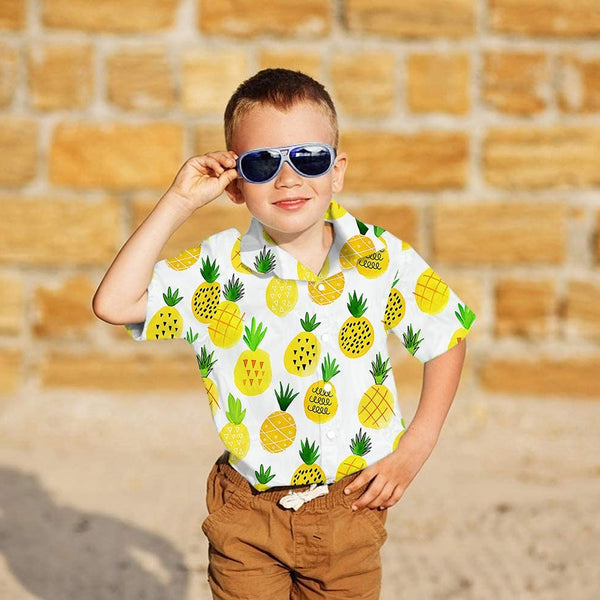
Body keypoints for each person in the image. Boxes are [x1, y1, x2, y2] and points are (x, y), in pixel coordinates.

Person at [93, 68, 475, 600]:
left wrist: (418, 443)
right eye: (262, 163)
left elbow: (446, 333)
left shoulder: (378, 257)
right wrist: (179, 202)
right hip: (246, 512)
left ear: (336, 171)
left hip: (351, 509)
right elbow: (114, 304)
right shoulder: (217, 270)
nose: (288, 178)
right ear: (235, 182)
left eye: (309, 158)